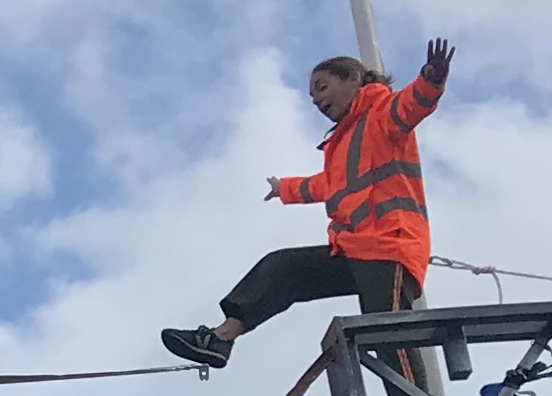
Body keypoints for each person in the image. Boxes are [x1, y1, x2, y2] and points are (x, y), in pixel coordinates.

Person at [161, 39, 453, 372]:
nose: (316, 99)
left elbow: (412, 105)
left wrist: (432, 80)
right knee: (283, 268)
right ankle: (220, 339)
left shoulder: (381, 113)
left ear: (354, 80)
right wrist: (284, 188)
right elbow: (325, 184)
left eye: (322, 87)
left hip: (390, 246)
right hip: (355, 250)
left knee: (384, 328)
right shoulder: (341, 143)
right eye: (312, 95)